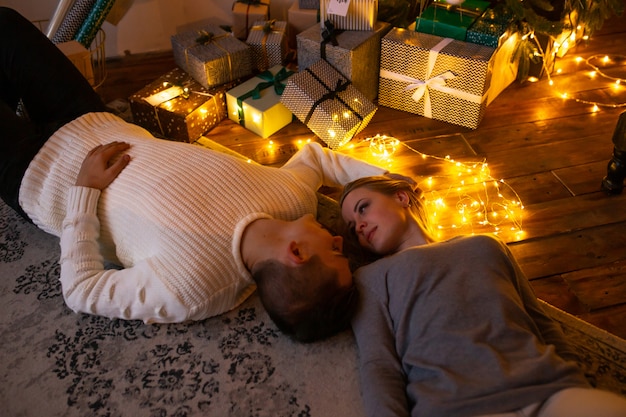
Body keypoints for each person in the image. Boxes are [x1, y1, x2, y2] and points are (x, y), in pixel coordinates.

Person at [0, 7, 389, 343]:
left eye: (335, 252)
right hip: (91, 119)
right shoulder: (292, 199)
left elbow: (82, 291)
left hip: (36, 175)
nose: (339, 238)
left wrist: (83, 190)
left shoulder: (190, 289)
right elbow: (318, 159)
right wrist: (394, 183)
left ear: (297, 254)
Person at [339, 176, 626, 417]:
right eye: (353, 227)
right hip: (458, 405)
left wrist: (578, 380)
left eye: (363, 208)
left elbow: (540, 321)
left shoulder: (486, 245)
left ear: (401, 197)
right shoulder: (372, 277)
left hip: (550, 389)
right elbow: (379, 365)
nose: (359, 226)